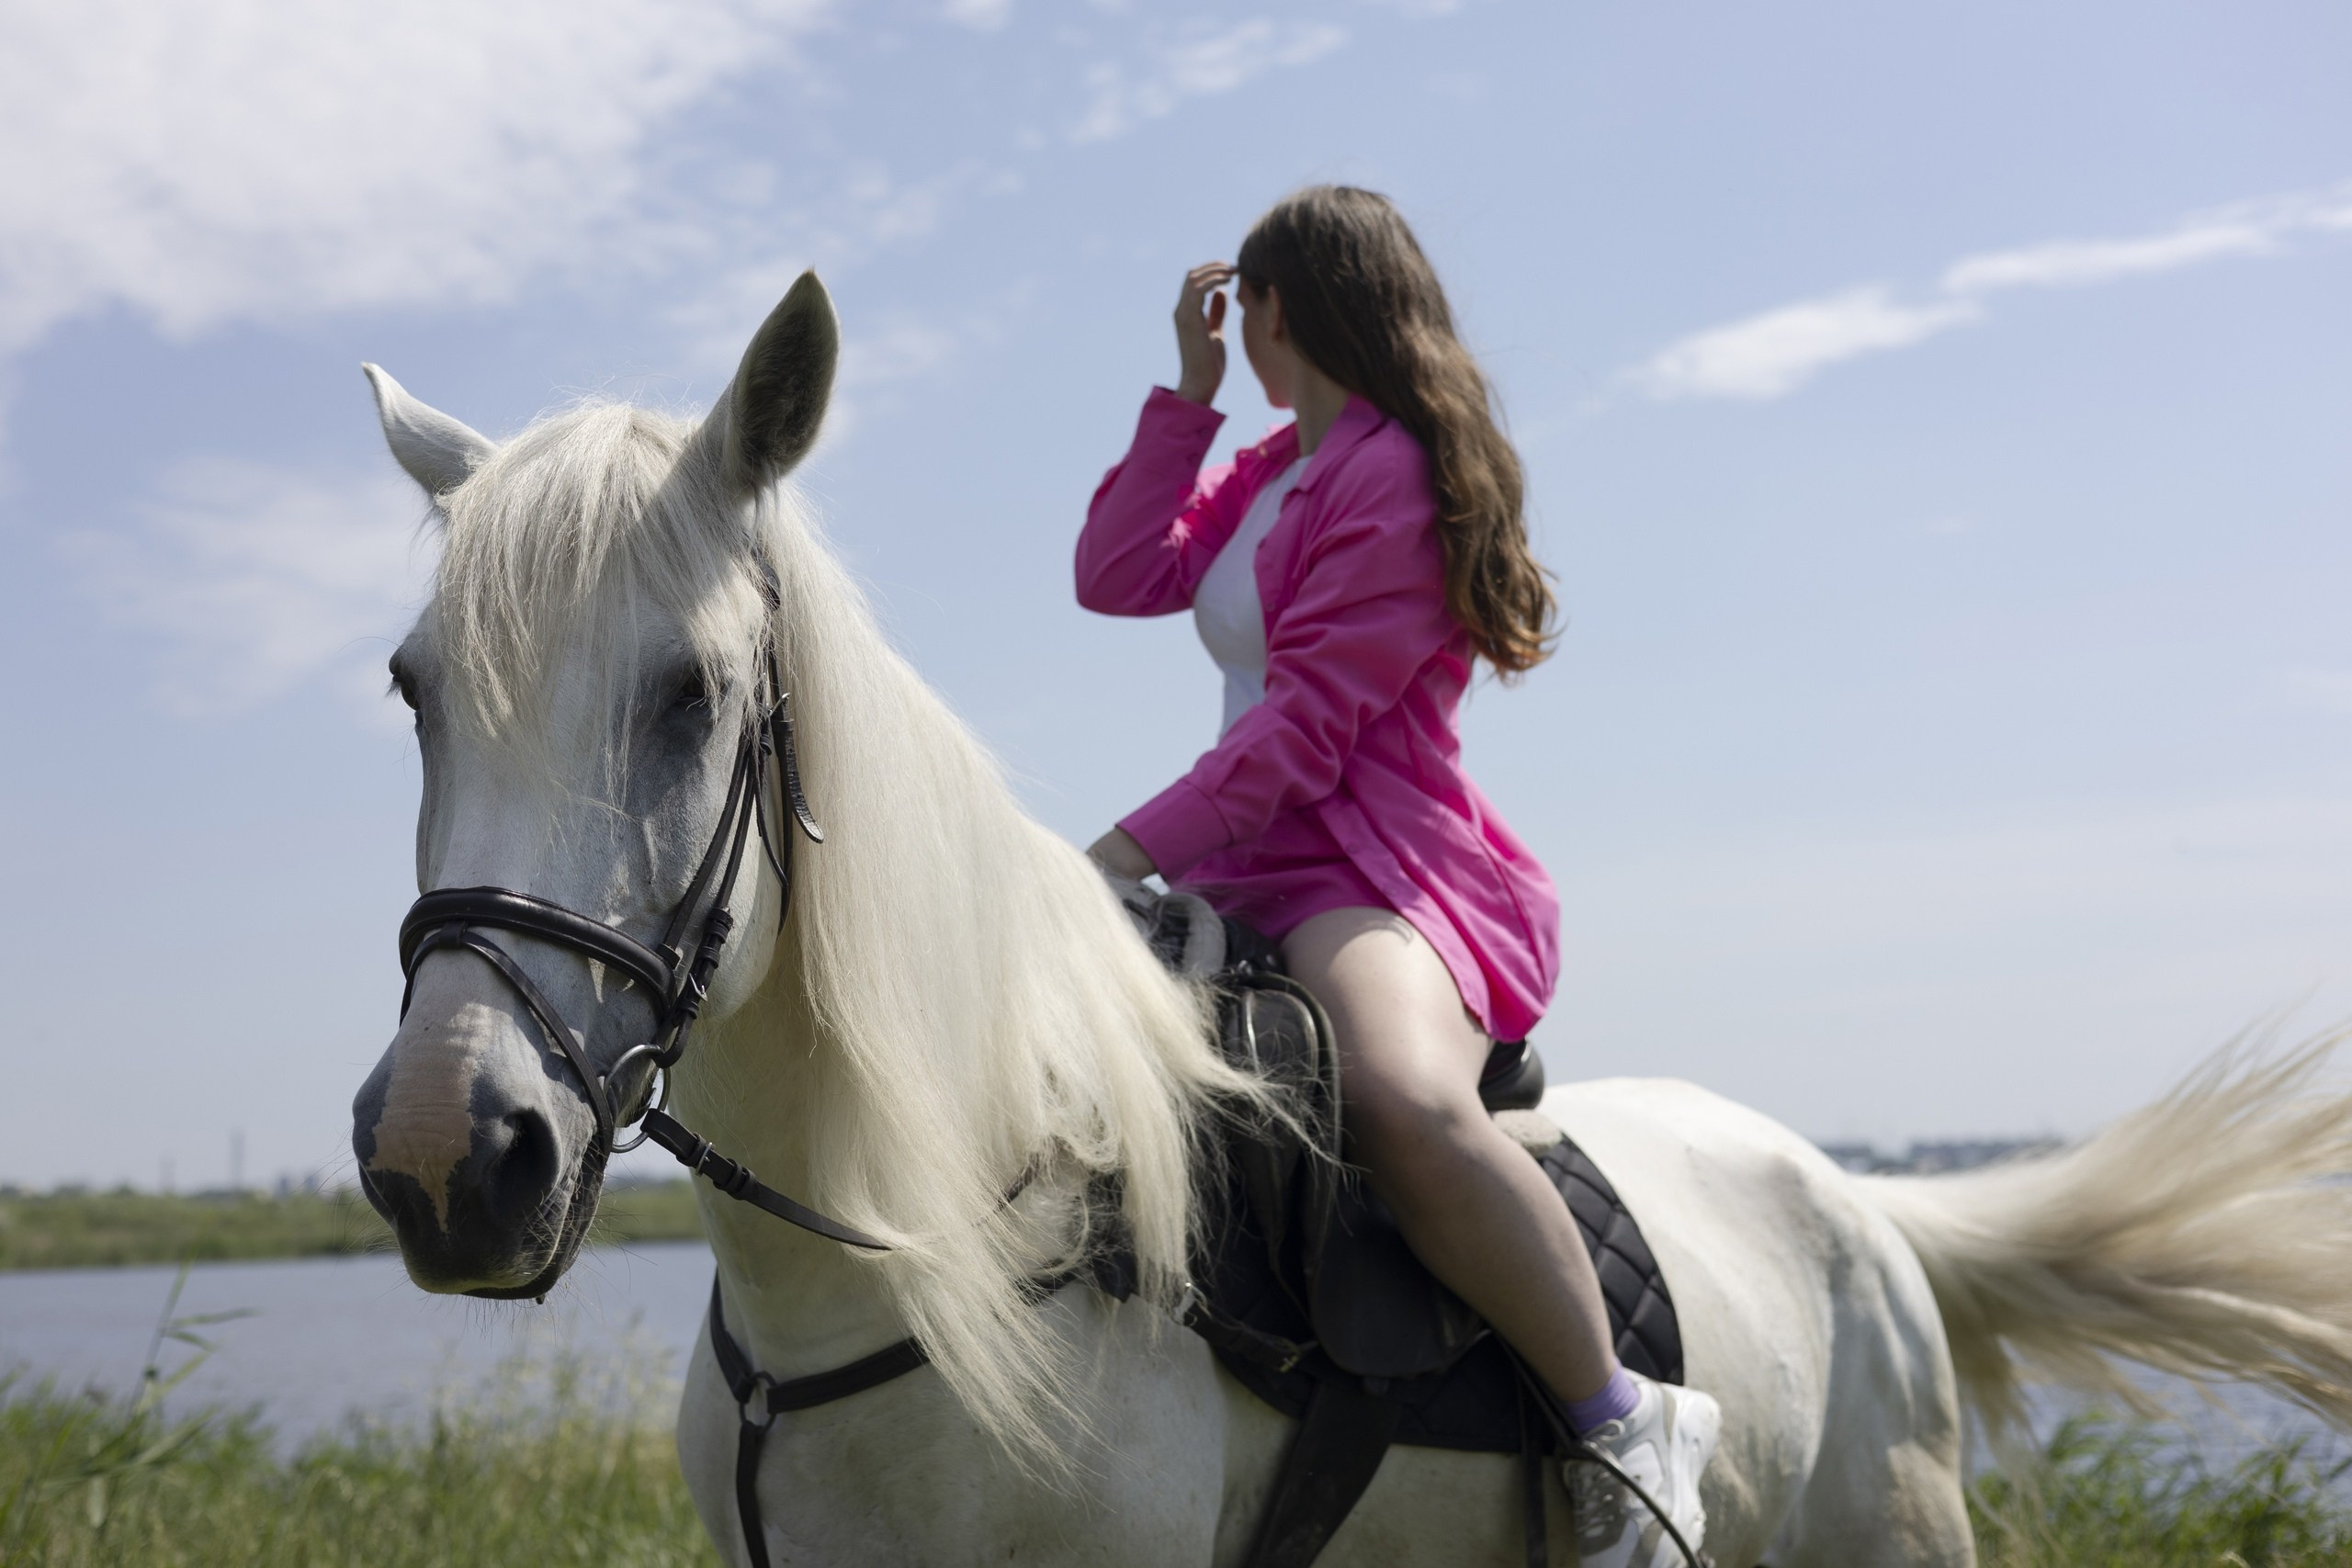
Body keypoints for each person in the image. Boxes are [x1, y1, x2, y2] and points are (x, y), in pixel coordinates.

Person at [1076, 186, 1719, 1566]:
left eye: (1239, 312)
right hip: (1242, 858)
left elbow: (1308, 732)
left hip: (1367, 865)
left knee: (1398, 1098)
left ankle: (1622, 1421)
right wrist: (1185, 402)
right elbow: (1116, 573)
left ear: (1278, 304)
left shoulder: (1393, 472)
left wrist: (1120, 855)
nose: (1234, 334)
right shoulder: (1267, 470)